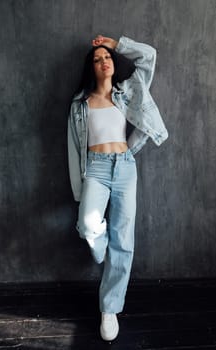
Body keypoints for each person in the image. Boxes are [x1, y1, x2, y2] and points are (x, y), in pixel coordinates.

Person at [67, 34, 168, 341]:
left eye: (106, 57)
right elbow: (73, 150)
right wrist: (77, 191)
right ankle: (99, 246)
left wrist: (116, 44)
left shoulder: (128, 91)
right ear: (91, 68)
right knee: (87, 226)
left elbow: (148, 56)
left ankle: (109, 308)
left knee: (123, 241)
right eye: (97, 59)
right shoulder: (80, 104)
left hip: (124, 167)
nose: (104, 61)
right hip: (95, 170)